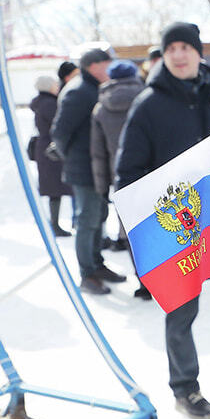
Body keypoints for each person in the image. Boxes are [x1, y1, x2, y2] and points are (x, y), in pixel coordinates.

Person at [116, 22, 210, 419]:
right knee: (181, 310)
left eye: (186, 46)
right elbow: (127, 172)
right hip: (177, 226)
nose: (179, 54)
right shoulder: (148, 104)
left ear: (199, 52)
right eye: (172, 48)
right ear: (164, 54)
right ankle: (185, 388)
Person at [51, 48, 125, 294]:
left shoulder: (91, 87)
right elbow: (60, 133)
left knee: (99, 216)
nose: (110, 69)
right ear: (93, 65)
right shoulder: (79, 91)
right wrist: (73, 160)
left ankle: (97, 264)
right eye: (107, 64)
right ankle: (87, 273)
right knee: (88, 220)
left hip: (98, 167)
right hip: (84, 169)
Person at [90, 59, 144, 254]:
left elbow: (98, 153)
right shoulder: (146, 99)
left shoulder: (101, 108)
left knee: (129, 220)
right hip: (150, 169)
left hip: (119, 171)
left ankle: (137, 269)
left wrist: (101, 187)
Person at [30, 70, 72, 237]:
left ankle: (55, 224)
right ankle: (55, 225)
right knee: (55, 188)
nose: (58, 87)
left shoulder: (41, 102)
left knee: (54, 188)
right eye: (55, 84)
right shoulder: (50, 104)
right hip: (51, 149)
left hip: (45, 148)